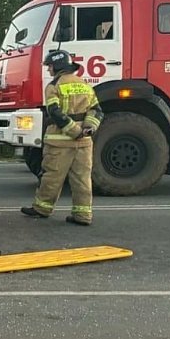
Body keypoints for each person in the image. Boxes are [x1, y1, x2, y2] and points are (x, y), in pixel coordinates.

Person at [21, 50, 103, 225]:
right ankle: (83, 215)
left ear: (57, 66)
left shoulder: (53, 86)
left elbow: (54, 112)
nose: (48, 69)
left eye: (49, 66)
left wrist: (73, 130)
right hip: (84, 143)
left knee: (51, 176)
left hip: (59, 142)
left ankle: (42, 208)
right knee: (82, 179)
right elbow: (97, 110)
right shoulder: (85, 85)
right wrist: (88, 128)